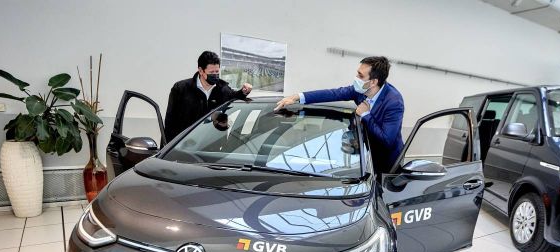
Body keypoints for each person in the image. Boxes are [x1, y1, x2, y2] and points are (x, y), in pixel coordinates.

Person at [275, 56, 404, 174]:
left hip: (387, 163)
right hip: (364, 155)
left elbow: (387, 140)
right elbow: (333, 94)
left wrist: (365, 114)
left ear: (373, 82)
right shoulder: (360, 90)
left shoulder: (394, 102)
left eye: (360, 75)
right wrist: (297, 97)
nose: (356, 78)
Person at [163, 51, 252, 145]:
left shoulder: (223, 89)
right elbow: (170, 121)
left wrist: (244, 91)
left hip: (211, 146)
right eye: (211, 72)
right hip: (183, 145)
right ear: (201, 70)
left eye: (217, 72)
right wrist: (167, 146)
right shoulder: (181, 89)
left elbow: (235, 96)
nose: (215, 75)